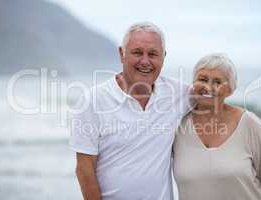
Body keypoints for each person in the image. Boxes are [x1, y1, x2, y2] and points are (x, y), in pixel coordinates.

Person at [70, 22, 191, 200]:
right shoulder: (93, 101)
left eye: (153, 54)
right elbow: (84, 169)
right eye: (137, 52)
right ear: (122, 54)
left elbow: (214, 95)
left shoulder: (179, 94)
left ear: (163, 57)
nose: (145, 61)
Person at [173, 53, 261, 200]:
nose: (208, 87)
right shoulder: (178, 125)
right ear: (193, 83)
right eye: (202, 79)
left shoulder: (249, 123)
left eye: (218, 82)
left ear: (231, 89)